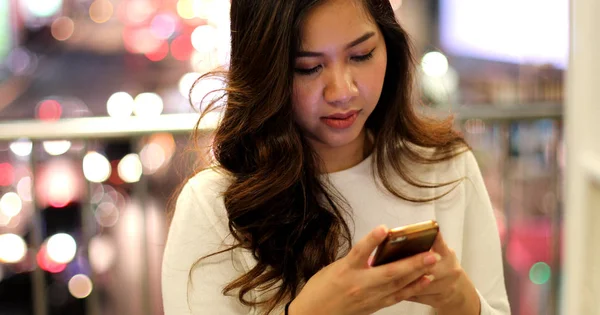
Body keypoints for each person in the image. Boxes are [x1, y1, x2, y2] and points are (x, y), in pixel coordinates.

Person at [162, 0, 510, 314]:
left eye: (361, 56)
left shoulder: (445, 167)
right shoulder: (213, 204)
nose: (343, 92)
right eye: (308, 68)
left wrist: (459, 298)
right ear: (264, 73)